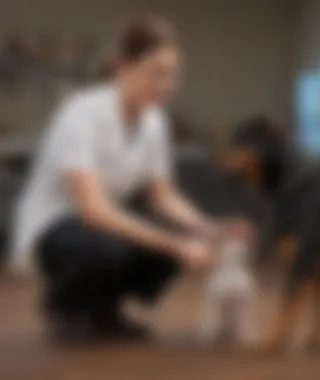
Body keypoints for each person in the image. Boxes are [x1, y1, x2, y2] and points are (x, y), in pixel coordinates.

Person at [11, 15, 253, 341]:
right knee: (115, 249)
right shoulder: (82, 113)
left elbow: (163, 195)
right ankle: (61, 304)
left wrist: (210, 229)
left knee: (158, 240)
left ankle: (104, 310)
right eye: (156, 73)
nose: (166, 85)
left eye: (171, 76)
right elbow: (92, 211)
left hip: (101, 226)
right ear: (123, 66)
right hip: (57, 228)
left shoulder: (154, 123)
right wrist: (177, 244)